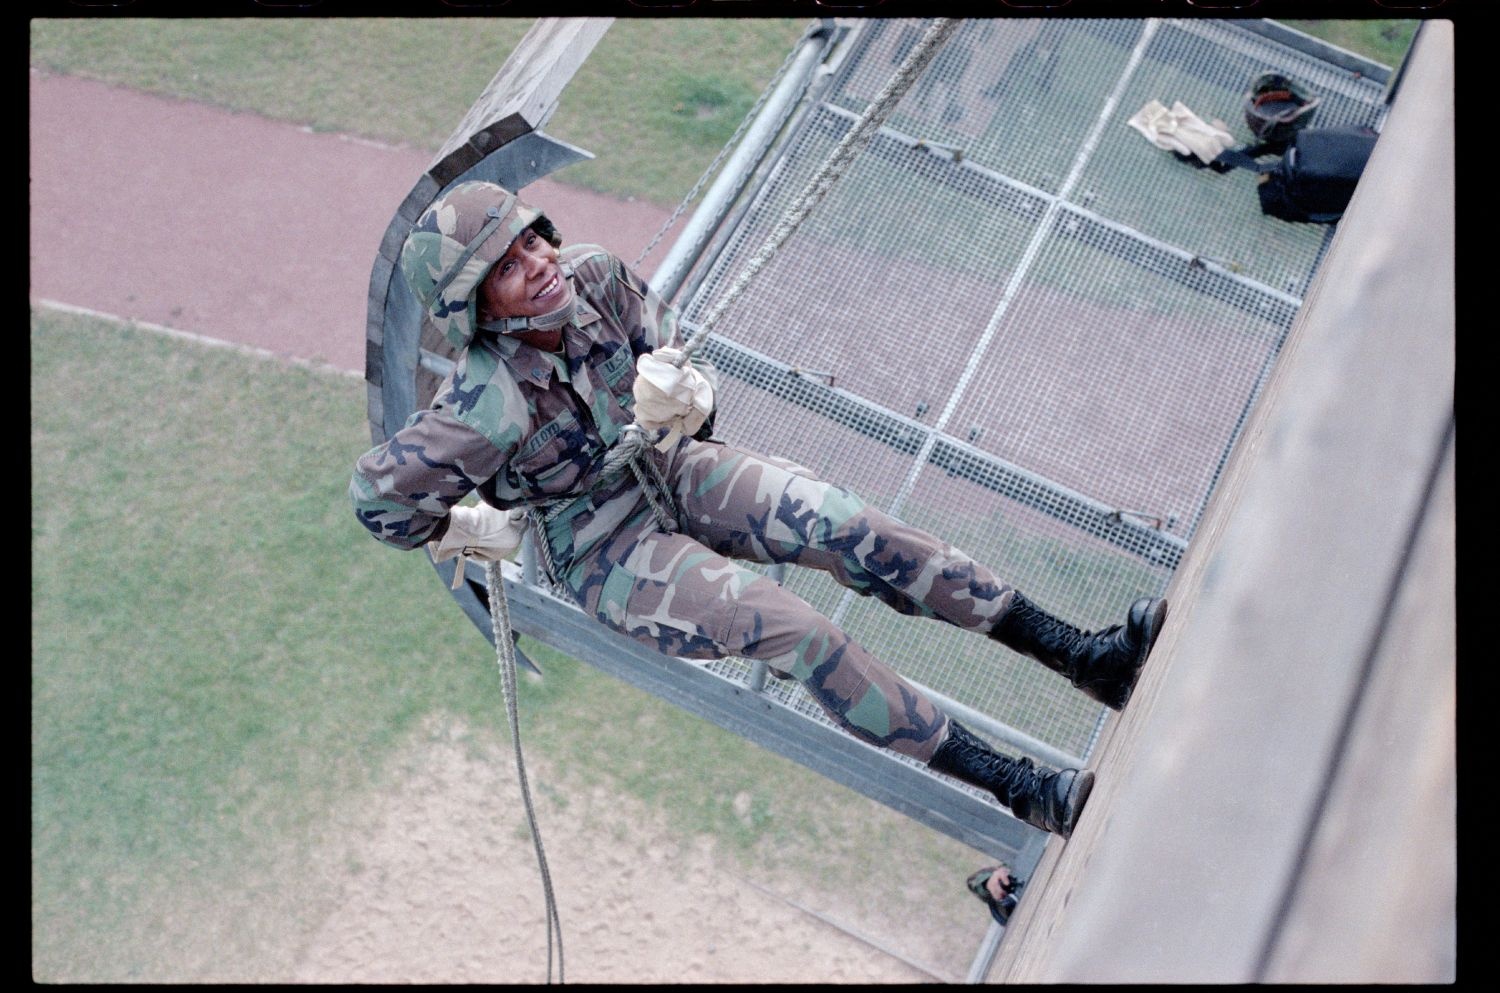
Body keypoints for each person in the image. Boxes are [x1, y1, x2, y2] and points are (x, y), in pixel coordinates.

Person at [350, 180, 1167, 844]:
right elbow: (379, 502)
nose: (539, 262)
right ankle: (1022, 788)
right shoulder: (480, 403)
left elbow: (671, 360)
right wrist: (462, 526)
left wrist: (687, 401)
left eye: (533, 239)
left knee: (851, 524)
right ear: (480, 309)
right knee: (797, 631)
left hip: (668, 465)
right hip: (605, 549)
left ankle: (1083, 656)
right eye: (507, 265)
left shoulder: (596, 275)